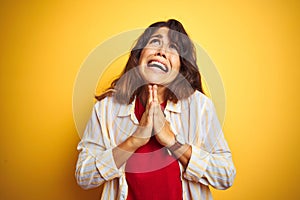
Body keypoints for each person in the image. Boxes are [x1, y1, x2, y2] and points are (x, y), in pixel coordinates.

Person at [75, 19, 236, 200]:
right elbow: (84, 176)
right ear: (139, 56)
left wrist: (173, 143)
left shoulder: (200, 108)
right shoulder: (106, 109)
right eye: (155, 42)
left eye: (173, 47)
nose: (161, 51)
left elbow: (225, 175)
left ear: (181, 66)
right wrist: (134, 141)